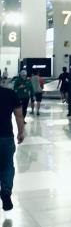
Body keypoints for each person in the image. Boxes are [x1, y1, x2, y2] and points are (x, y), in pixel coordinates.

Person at [0, 82, 25, 211]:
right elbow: (19, 116)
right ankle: (6, 191)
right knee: (7, 166)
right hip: (6, 137)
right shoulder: (10, 94)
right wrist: (21, 132)